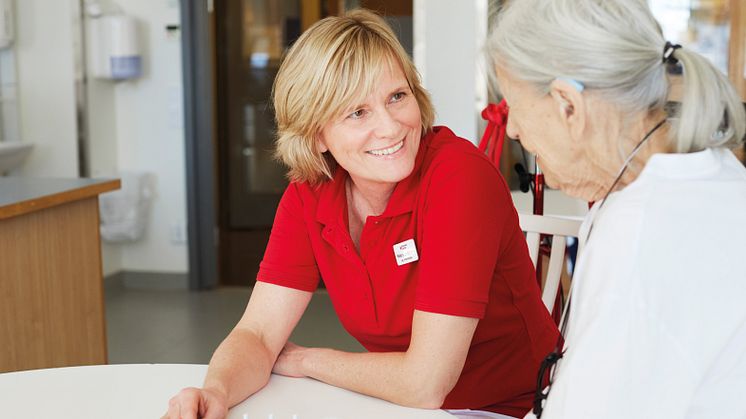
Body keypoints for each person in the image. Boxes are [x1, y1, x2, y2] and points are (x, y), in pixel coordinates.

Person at [164, 9, 559, 419]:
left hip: (518, 408)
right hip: (407, 408)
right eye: (358, 112)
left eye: (397, 97)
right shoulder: (310, 194)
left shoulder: (459, 179)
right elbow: (259, 334)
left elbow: (425, 383)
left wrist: (306, 361)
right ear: (316, 134)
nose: (390, 127)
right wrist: (216, 392)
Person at [485, 0, 746, 418]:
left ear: (568, 106)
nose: (511, 127)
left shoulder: (643, 237)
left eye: (513, 103)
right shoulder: (705, 174)